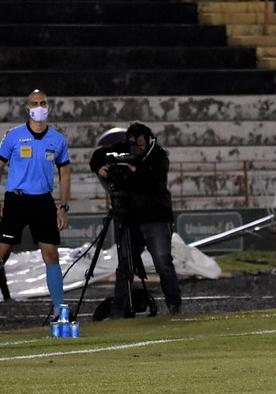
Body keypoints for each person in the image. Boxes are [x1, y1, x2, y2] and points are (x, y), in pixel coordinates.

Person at [89, 121, 182, 317]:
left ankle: (174, 305)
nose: (136, 148)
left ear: (149, 141)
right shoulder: (124, 150)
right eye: (133, 144)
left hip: (155, 217)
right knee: (125, 266)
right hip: (130, 218)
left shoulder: (158, 156)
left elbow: (152, 177)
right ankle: (118, 310)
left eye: (140, 143)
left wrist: (133, 170)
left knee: (162, 263)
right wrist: (100, 167)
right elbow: (97, 155)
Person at [0, 89, 70, 312]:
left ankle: (60, 310)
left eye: (43, 103)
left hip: (43, 202)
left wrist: (63, 207)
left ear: (48, 106)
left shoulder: (58, 140)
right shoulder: (13, 136)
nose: (40, 107)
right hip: (16, 201)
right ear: (27, 108)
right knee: (2, 252)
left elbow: (65, 173)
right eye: (35, 103)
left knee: (51, 253)